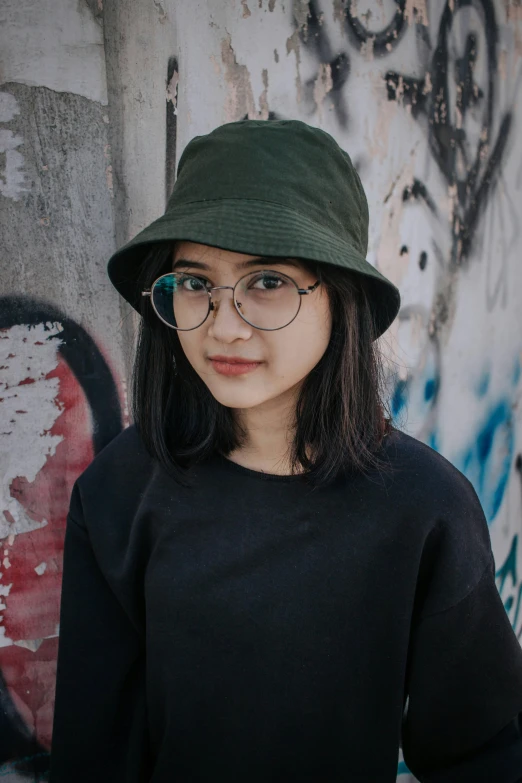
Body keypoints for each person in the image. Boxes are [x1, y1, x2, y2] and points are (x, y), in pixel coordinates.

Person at [49, 119, 522, 783]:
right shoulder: (119, 493)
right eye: (195, 283)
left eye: (267, 281)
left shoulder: (426, 509)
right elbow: (94, 754)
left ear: (340, 299)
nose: (225, 324)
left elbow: (480, 752)